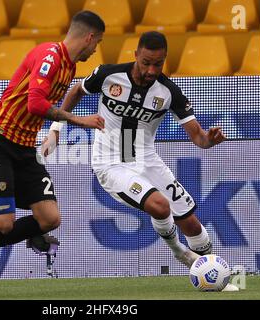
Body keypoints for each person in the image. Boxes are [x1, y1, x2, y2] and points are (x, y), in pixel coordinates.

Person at [42, 31, 237, 291]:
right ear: (135, 55)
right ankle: (180, 252)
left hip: (146, 159)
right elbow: (77, 90)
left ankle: (215, 279)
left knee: (191, 223)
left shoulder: (168, 92)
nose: (151, 70)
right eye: (146, 62)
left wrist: (210, 140)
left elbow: (199, 139)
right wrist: (56, 126)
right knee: (160, 206)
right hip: (111, 163)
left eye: (158, 64)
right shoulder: (109, 75)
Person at [0, 10, 106, 299]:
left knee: (49, 218)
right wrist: (78, 120)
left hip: (24, 149)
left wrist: (52, 132)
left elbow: (39, 109)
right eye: (97, 44)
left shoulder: (69, 68)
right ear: (89, 37)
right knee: (3, 223)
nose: (95, 50)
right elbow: (34, 103)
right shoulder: (50, 57)